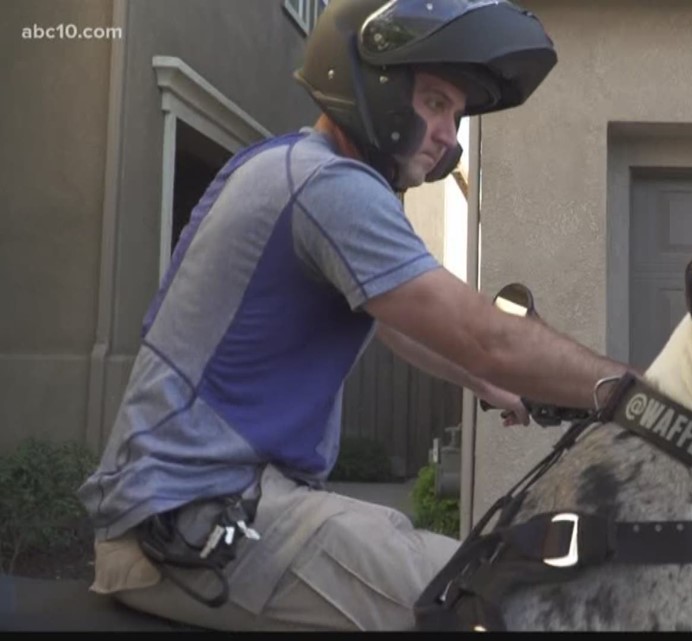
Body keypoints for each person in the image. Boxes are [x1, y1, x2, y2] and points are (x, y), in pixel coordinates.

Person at [76, 0, 634, 631]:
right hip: (196, 523)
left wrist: (484, 384)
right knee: (509, 600)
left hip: (213, 511)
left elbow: (398, 322)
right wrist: (636, 395)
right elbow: (486, 336)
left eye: (454, 113)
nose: (451, 133)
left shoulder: (287, 165)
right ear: (377, 86)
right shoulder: (333, 187)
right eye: (436, 103)